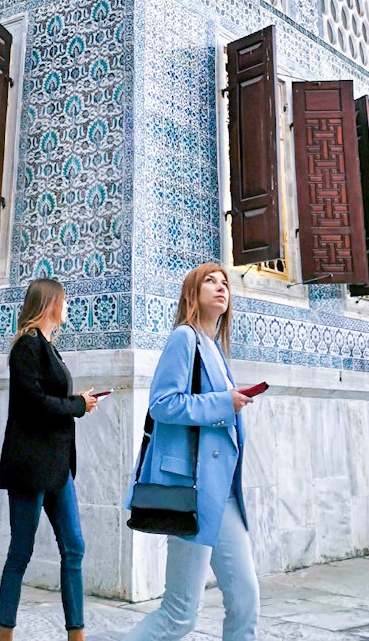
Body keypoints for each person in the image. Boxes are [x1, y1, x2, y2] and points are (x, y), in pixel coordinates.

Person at [121, 263, 260, 641]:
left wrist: (228, 400)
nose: (221, 287)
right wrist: (222, 403)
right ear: (191, 294)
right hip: (193, 490)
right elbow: (162, 404)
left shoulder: (215, 349)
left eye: (225, 282)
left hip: (224, 493)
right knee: (179, 615)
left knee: (246, 600)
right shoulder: (185, 338)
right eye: (210, 282)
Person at [0, 278, 99, 641]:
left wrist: (78, 400)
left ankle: (76, 634)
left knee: (74, 546)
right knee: (21, 551)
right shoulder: (27, 345)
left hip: (57, 465)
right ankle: (5, 634)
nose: (67, 307)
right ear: (50, 304)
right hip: (30, 464)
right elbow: (32, 402)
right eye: (64, 301)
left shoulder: (49, 347)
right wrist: (77, 406)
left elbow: (51, 396)